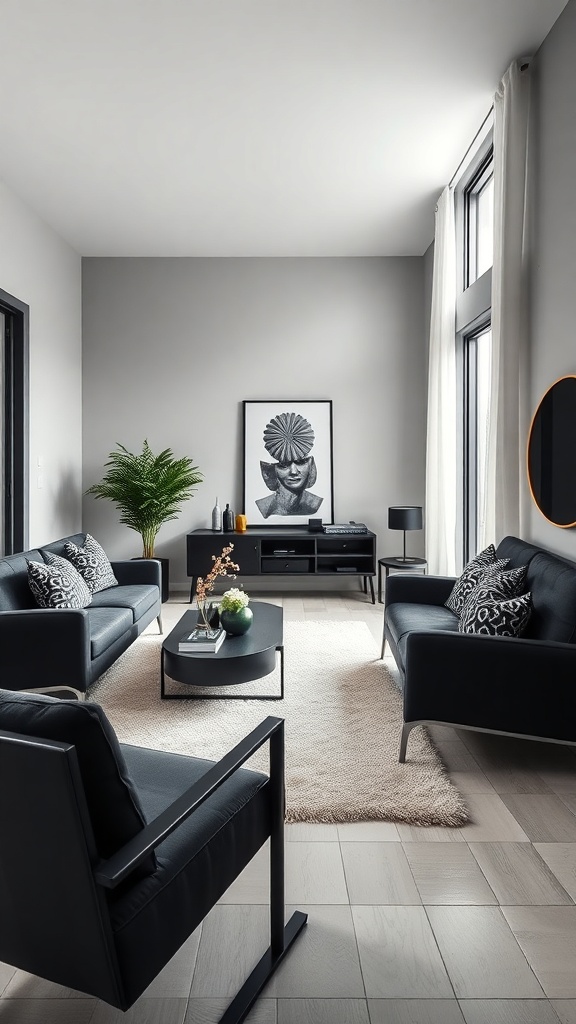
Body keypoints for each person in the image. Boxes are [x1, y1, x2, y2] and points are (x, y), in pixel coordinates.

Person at [255, 412, 324, 519]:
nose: (293, 471)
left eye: (301, 462)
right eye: (284, 465)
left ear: (310, 464)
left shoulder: (314, 503)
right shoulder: (265, 505)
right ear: (271, 470)